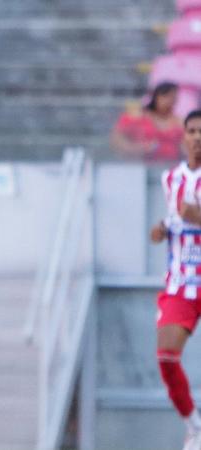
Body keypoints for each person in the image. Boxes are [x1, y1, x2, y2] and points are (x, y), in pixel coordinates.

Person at [150, 109, 201, 450]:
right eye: (192, 131)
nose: (197, 137)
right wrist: (159, 229)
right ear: (183, 137)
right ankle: (195, 427)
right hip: (182, 282)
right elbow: (171, 223)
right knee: (167, 358)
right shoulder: (172, 180)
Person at [112, 82, 184, 160]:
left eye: (173, 98)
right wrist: (134, 149)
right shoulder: (137, 116)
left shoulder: (179, 122)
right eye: (166, 96)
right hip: (141, 164)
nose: (170, 101)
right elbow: (117, 138)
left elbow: (184, 146)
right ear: (156, 97)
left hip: (170, 164)